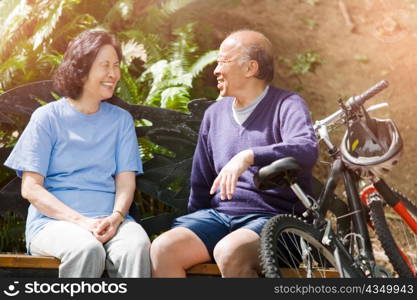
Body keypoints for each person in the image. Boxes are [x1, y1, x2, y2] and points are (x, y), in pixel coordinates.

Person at [150, 30, 318, 277]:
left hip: (275, 220)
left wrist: (249, 155)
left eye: (223, 61)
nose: (216, 69)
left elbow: (306, 147)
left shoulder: (287, 104)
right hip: (219, 218)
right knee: (164, 248)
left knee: (230, 251)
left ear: (250, 68)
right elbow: (201, 182)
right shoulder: (214, 114)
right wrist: (194, 226)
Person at [4, 30, 151, 278]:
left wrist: (116, 218)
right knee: (86, 249)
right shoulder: (47, 118)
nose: (114, 74)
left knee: (136, 247)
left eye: (116, 65)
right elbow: (30, 189)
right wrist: (81, 222)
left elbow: (126, 181)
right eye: (105, 65)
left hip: (112, 222)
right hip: (54, 225)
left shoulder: (120, 121)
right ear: (81, 69)